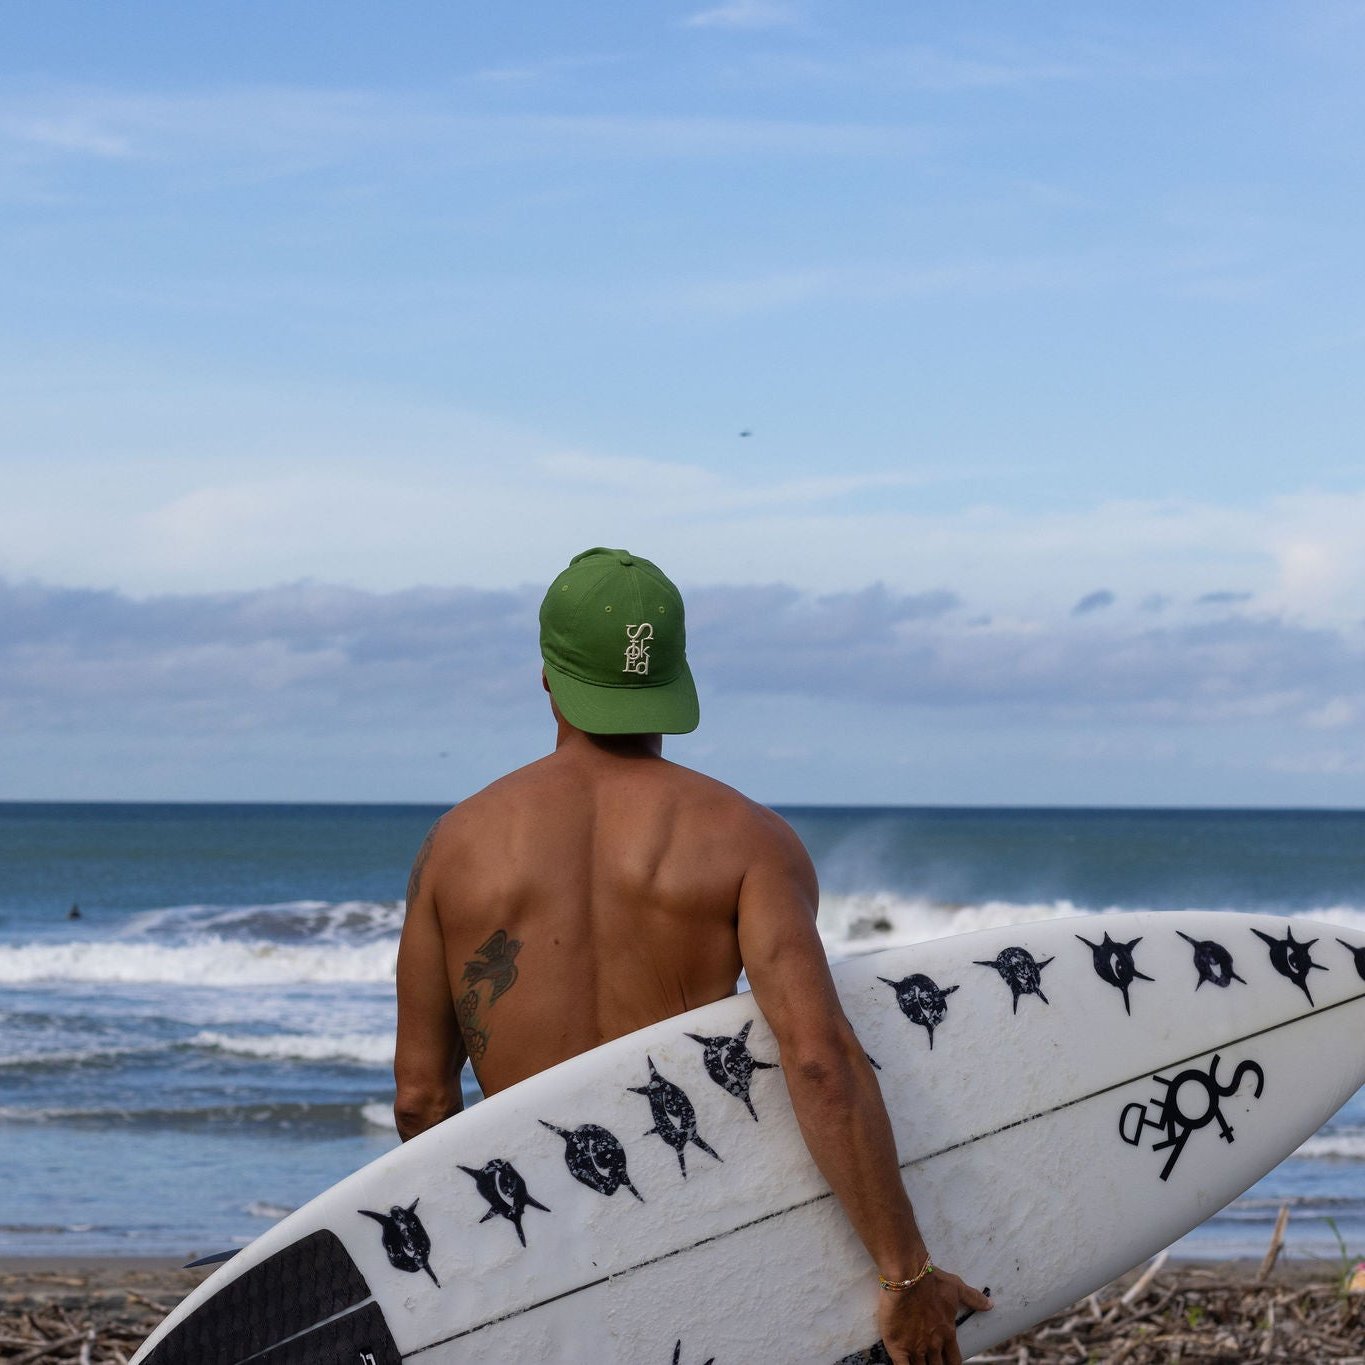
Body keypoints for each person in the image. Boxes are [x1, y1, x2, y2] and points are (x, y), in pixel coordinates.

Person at [394, 546, 991, 1365]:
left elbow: (423, 1099)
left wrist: (480, 1280)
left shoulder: (455, 846)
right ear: (674, 678)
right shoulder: (747, 839)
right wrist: (903, 1273)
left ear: (547, 676)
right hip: (698, 1235)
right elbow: (817, 1059)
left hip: (542, 1250)